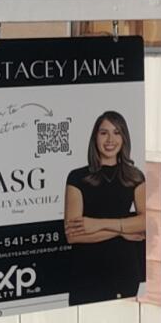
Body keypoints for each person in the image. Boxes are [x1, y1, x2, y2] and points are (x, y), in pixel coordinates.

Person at [62, 110, 146, 301]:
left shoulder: (135, 177)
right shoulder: (76, 177)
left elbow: (145, 222)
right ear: (95, 137)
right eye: (104, 133)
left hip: (124, 269)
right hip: (86, 271)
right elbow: (73, 235)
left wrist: (97, 224)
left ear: (124, 138)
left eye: (117, 132)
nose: (110, 139)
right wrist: (122, 230)